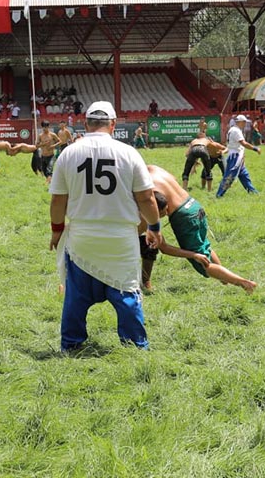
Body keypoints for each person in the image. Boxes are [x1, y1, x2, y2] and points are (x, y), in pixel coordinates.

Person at [49, 101, 163, 353]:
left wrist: (57, 229)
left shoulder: (69, 153)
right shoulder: (129, 152)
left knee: (76, 296)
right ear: (112, 125)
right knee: (126, 293)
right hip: (121, 237)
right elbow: (146, 197)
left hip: (83, 236)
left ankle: (71, 344)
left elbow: (58, 200)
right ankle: (135, 344)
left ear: (86, 123)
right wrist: (154, 225)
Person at [142, 164, 256, 292]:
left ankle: (244, 283)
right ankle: (224, 277)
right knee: (204, 245)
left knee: (202, 264)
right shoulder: (155, 169)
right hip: (194, 205)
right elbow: (173, 180)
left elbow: (164, 248)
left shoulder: (145, 185)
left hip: (183, 216)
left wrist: (193, 255)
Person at [216, 115, 261, 197]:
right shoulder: (236, 131)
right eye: (244, 122)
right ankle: (219, 194)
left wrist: (224, 151)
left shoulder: (232, 130)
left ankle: (253, 192)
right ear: (239, 122)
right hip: (235, 157)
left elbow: (230, 145)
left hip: (236, 156)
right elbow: (243, 143)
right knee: (229, 177)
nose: (245, 124)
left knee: (244, 175)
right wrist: (255, 148)